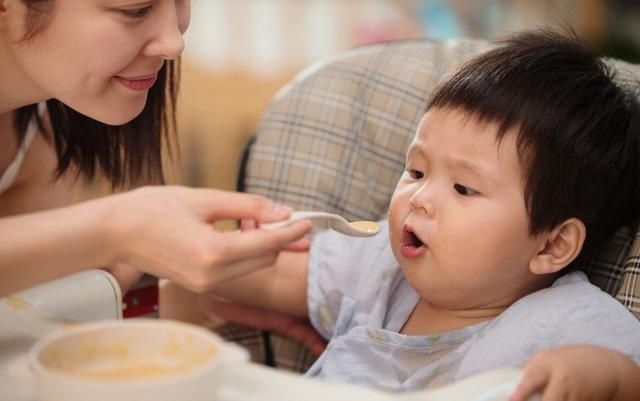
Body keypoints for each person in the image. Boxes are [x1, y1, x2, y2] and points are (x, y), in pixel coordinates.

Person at [202, 30, 640, 393]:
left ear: (553, 244)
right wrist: (223, 256)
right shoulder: (380, 263)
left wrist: (606, 376)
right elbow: (265, 277)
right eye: (415, 171)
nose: (421, 197)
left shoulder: (570, 322)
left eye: (463, 188)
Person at [0, 0, 312, 298]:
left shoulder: (42, 122)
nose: (174, 44)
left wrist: (198, 299)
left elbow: (20, 308)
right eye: (136, 9)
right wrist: (119, 230)